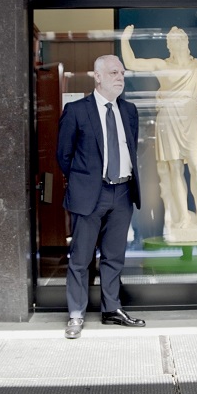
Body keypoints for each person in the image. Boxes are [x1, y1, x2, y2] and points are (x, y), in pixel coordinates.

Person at [56, 54, 146, 338]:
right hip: (90, 195)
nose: (120, 77)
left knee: (114, 257)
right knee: (81, 258)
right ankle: (75, 314)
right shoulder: (77, 110)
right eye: (113, 72)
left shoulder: (129, 111)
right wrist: (85, 181)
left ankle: (111, 309)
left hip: (122, 193)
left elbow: (130, 149)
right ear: (96, 76)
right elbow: (63, 156)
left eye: (122, 73)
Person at [121, 25, 197, 242]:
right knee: (175, 168)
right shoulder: (162, 65)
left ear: (186, 43)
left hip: (190, 119)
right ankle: (182, 216)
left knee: (196, 166)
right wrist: (125, 40)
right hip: (168, 119)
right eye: (173, 41)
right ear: (169, 45)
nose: (177, 44)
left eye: (180, 40)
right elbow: (131, 63)